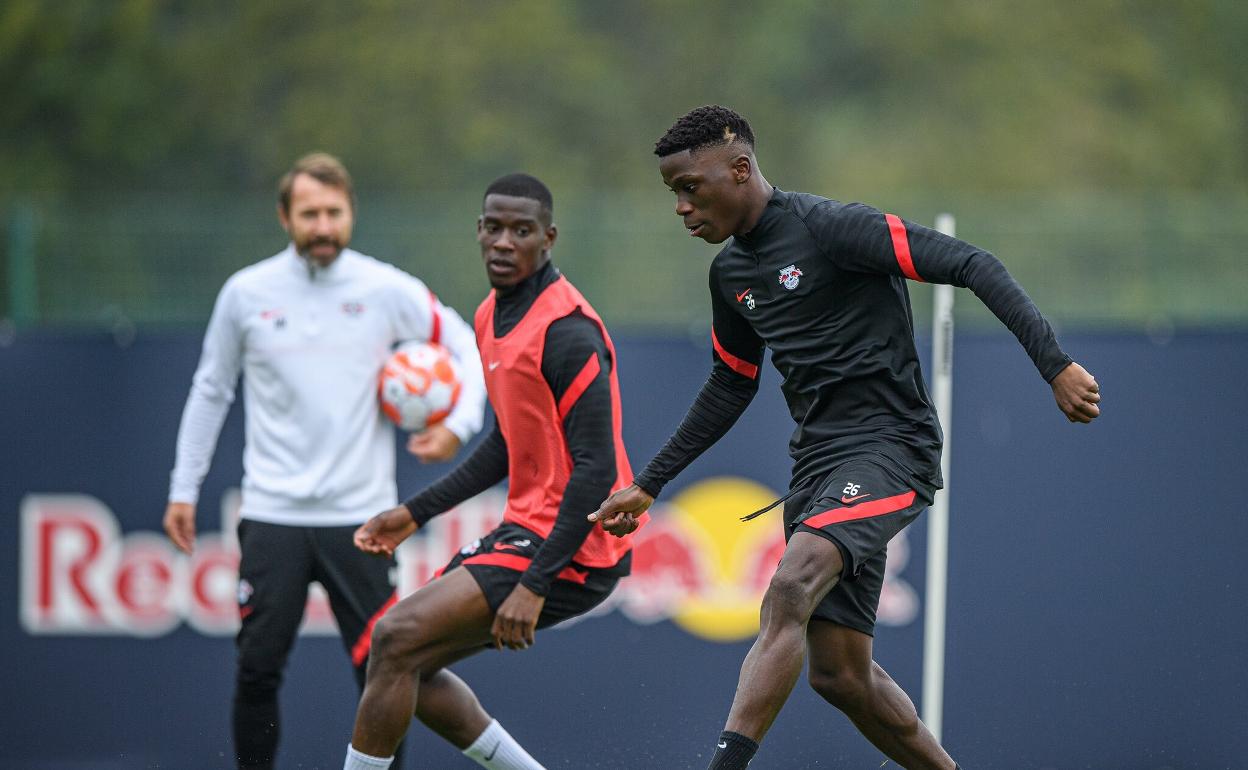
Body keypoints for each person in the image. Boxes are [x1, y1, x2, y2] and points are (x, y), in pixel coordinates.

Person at [589, 105, 1101, 770]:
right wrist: (648, 483)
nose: (681, 208)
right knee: (839, 677)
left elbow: (973, 263)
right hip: (817, 468)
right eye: (672, 195)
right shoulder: (731, 277)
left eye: (690, 188)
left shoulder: (833, 228)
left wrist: (1054, 365)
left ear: (740, 170)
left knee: (790, 586)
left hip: (894, 449)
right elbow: (730, 385)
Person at [163, 152, 487, 770]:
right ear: (284, 217)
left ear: (351, 215)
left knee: (387, 670)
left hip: (362, 519)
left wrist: (456, 426)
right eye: (309, 213)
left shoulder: (384, 288)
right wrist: (184, 488)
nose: (323, 226)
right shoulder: (245, 294)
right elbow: (211, 389)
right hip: (272, 515)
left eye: (334, 213)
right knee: (257, 671)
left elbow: (464, 343)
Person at [342, 173, 642, 770]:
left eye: (522, 231)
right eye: (494, 227)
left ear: (548, 239)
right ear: (478, 231)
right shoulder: (488, 317)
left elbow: (596, 470)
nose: (505, 242)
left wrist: (534, 585)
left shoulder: (568, 332)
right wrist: (414, 512)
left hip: (576, 548)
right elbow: (508, 443)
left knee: (394, 638)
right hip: (526, 531)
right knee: (405, 661)